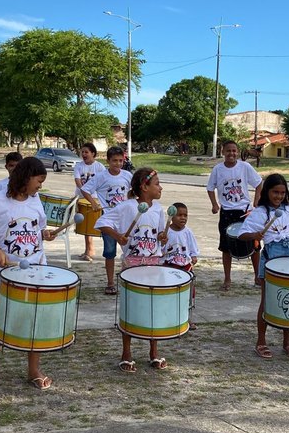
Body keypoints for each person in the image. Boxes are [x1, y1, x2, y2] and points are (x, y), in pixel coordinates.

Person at [0, 157, 58, 396]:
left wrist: (45, 234)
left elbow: (39, 228)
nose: (40, 186)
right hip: (6, 273)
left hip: (37, 268)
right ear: (26, 177)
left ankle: (34, 371)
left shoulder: (36, 200)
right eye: (39, 180)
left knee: (35, 321)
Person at [238, 173, 289, 359]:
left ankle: (287, 342)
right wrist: (255, 235)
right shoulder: (259, 213)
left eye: (282, 193)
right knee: (267, 301)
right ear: (267, 192)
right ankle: (261, 341)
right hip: (271, 258)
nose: (279, 196)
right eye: (275, 192)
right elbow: (242, 234)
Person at [95, 167, 167, 372]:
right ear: (144, 187)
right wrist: (118, 237)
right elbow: (102, 223)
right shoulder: (126, 207)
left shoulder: (158, 209)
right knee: (131, 308)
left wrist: (163, 236)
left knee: (153, 308)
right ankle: (126, 353)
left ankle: (154, 351)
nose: (160, 187)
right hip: (132, 264)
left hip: (153, 263)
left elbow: (160, 233)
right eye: (157, 184)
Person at [206, 140, 263, 291]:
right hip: (227, 213)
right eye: (228, 151)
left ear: (237, 152)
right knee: (226, 247)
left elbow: (259, 183)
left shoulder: (245, 167)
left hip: (245, 212)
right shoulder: (218, 169)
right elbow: (210, 188)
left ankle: (258, 276)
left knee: (255, 245)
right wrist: (214, 204)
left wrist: (256, 200)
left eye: (234, 151)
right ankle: (227, 278)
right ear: (223, 152)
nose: (231, 153)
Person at [80, 146, 132, 295]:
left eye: (121, 161)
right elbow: (85, 189)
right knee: (110, 252)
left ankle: (130, 279)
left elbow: (133, 190)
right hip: (109, 219)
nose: (118, 164)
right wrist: (94, 203)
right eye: (114, 161)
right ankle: (110, 283)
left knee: (130, 250)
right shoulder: (101, 176)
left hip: (125, 219)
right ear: (108, 161)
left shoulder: (127, 175)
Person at [162, 202, 200, 329]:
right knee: (171, 293)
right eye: (179, 215)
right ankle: (169, 317)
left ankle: (187, 318)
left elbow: (192, 247)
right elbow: (162, 249)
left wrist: (194, 256)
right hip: (170, 266)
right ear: (172, 216)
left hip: (185, 266)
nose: (183, 218)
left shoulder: (188, 232)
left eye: (185, 215)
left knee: (188, 294)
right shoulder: (167, 231)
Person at [73, 142, 105, 262]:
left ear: (93, 153)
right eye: (82, 152)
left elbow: (103, 183)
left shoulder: (100, 167)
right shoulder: (78, 166)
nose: (84, 154)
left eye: (86, 152)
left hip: (95, 199)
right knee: (84, 225)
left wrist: (93, 199)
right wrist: (85, 193)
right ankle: (88, 249)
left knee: (90, 226)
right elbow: (78, 181)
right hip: (81, 198)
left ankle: (90, 250)